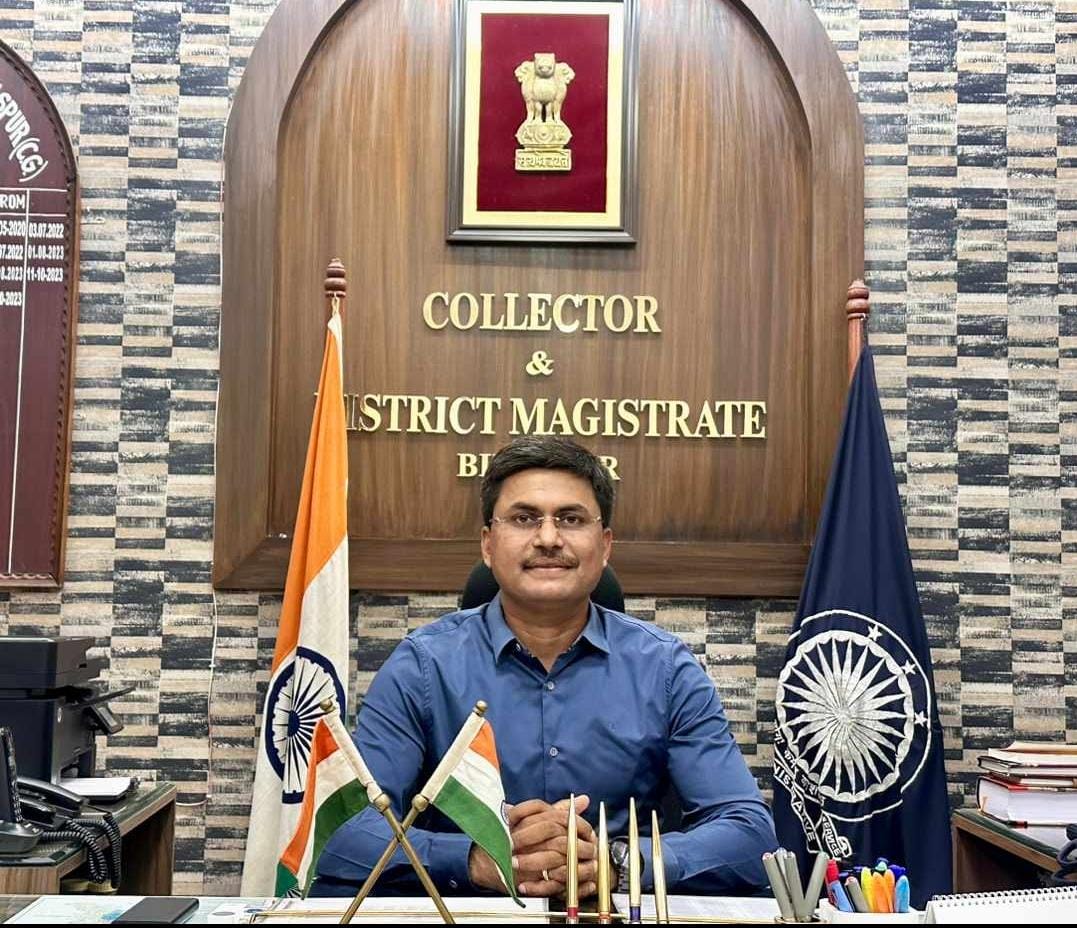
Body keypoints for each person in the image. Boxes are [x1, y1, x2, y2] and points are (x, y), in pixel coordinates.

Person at [312, 436, 777, 898]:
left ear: (605, 545)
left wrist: (617, 863)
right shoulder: (423, 665)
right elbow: (342, 831)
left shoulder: (666, 668)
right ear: (488, 544)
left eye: (571, 519)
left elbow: (748, 832)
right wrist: (479, 860)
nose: (549, 539)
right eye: (524, 518)